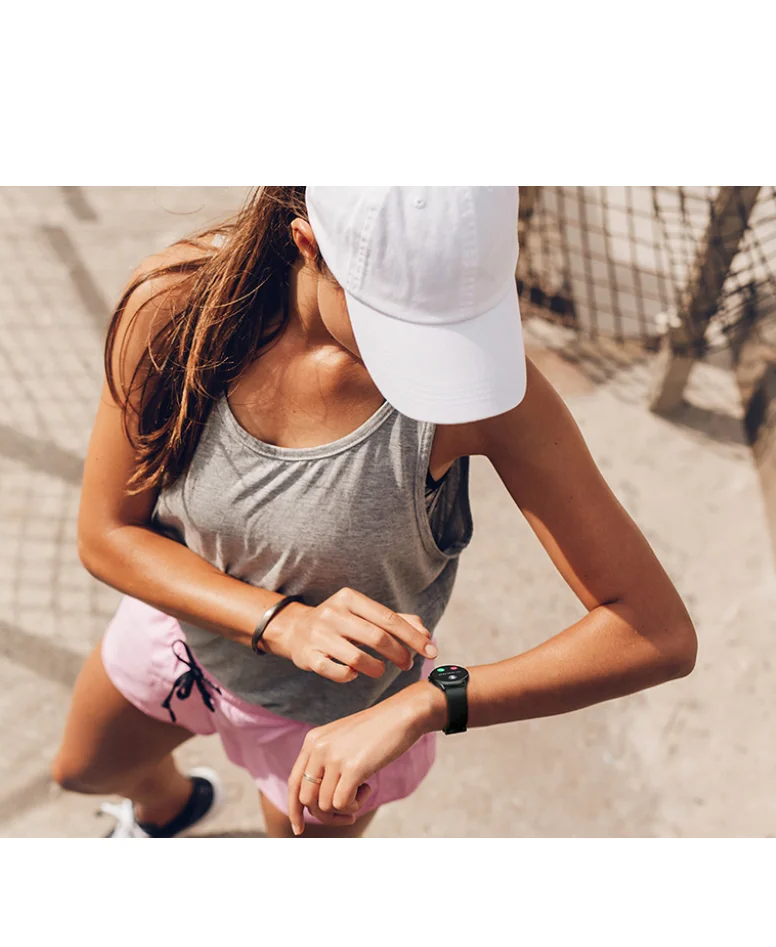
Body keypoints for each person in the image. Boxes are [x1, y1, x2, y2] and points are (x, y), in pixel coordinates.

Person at [51, 186, 697, 838]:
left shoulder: (485, 393)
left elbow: (655, 633)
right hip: (184, 627)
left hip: (337, 719)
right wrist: (283, 623)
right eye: (401, 325)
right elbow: (107, 533)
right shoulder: (175, 304)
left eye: (462, 321)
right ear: (308, 245)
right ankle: (169, 810)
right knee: (83, 770)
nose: (440, 367)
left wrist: (431, 701)